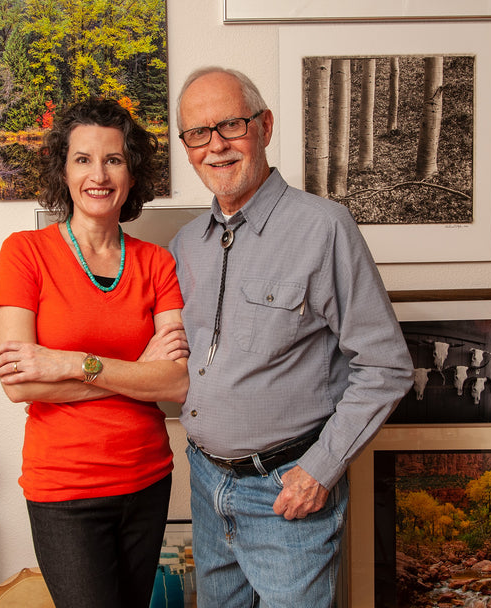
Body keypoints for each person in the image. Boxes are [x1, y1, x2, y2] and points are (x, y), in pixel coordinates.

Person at [168, 66, 415, 606]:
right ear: (186, 146)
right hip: (208, 485)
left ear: (265, 126)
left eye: (231, 125)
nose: (216, 146)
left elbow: (387, 366)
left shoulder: (324, 227)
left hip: (287, 492)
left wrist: (321, 470)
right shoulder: (186, 244)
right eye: (197, 133)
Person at [0, 98, 189, 608]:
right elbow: (18, 383)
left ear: (131, 173)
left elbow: (177, 383)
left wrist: (70, 363)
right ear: (63, 169)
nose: (98, 175)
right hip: (64, 490)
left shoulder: (157, 263)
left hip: (147, 480)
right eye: (82, 159)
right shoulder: (25, 252)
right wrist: (136, 371)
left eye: (113, 159)